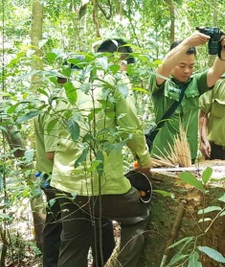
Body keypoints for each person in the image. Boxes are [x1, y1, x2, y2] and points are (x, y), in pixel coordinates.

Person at [49, 39, 152, 267]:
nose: (125, 69)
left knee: (73, 243)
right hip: (99, 182)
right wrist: (144, 159)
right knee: (137, 216)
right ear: (119, 60)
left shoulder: (72, 82)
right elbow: (130, 126)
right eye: (126, 64)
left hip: (65, 182)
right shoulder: (116, 79)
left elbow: (57, 133)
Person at [34, 60, 115, 267]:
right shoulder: (54, 105)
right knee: (68, 230)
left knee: (65, 228)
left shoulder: (62, 102)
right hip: (57, 179)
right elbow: (53, 154)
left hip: (60, 177)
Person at [148, 29, 225, 162]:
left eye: (191, 66)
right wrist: (188, 42)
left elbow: (216, 72)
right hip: (162, 157)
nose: (187, 71)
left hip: (187, 158)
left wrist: (223, 50)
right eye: (181, 65)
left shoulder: (196, 82)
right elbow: (164, 67)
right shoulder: (161, 82)